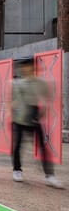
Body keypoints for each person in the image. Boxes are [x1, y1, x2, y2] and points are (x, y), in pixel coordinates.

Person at [11, 58, 62, 188]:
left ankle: (50, 175)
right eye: (22, 67)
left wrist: (42, 112)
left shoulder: (41, 83)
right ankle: (17, 170)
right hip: (19, 119)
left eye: (26, 67)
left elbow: (47, 98)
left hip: (34, 118)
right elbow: (12, 101)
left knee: (43, 147)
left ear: (33, 68)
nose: (24, 69)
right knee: (17, 146)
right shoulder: (17, 84)